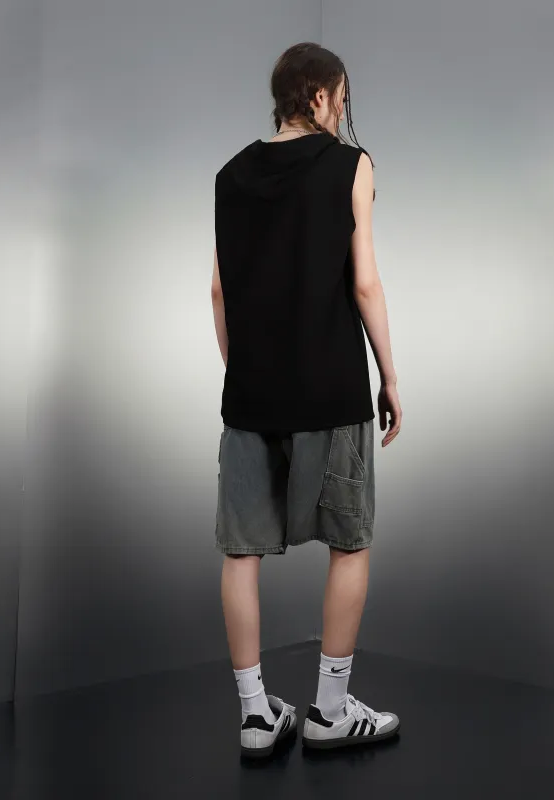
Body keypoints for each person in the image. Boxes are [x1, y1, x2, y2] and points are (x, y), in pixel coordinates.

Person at [210, 42, 402, 758]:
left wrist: (246, 371)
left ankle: (256, 717)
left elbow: (218, 289)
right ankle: (329, 709)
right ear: (318, 96)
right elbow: (365, 282)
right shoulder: (352, 165)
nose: (344, 112)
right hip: (332, 391)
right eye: (342, 99)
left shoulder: (230, 175)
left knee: (241, 554)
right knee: (351, 543)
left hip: (250, 397)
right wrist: (390, 376)